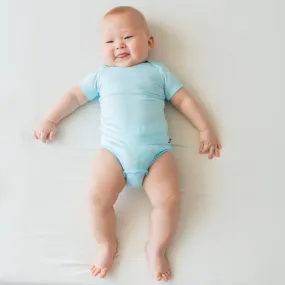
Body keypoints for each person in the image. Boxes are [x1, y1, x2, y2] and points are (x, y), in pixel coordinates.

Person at [34, 6, 222, 282]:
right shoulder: (101, 75)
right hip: (113, 152)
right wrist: (51, 119)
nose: (119, 46)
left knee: (169, 200)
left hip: (156, 153)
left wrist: (204, 128)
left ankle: (157, 248)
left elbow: (183, 100)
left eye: (127, 38)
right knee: (97, 199)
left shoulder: (158, 72)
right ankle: (106, 243)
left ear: (149, 42)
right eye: (110, 41)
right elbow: (74, 97)